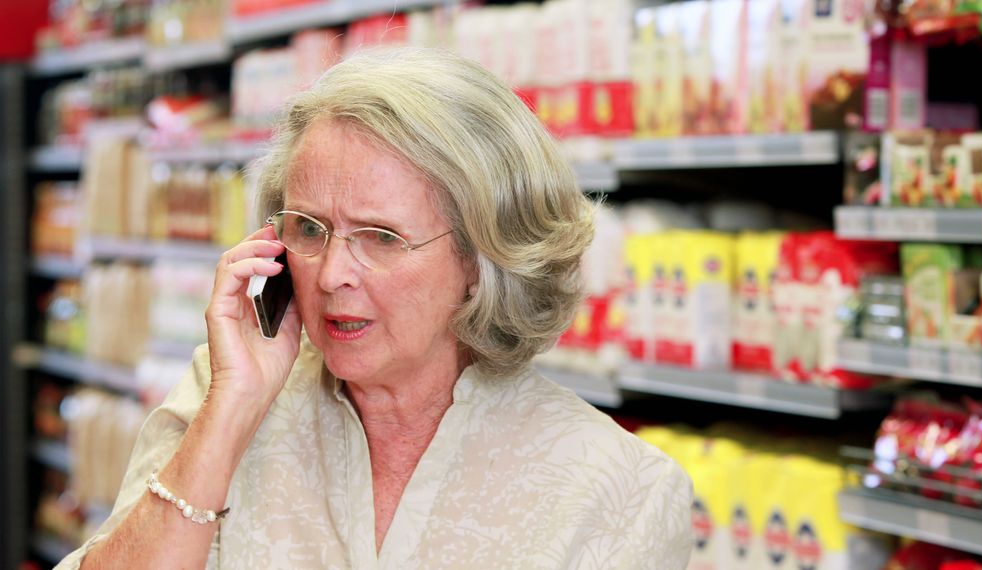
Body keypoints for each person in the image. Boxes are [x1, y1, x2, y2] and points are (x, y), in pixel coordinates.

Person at [58, 47, 692, 569]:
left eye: (381, 238)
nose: (332, 275)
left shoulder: (620, 488)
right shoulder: (220, 396)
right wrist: (231, 412)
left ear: (482, 258)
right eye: (309, 229)